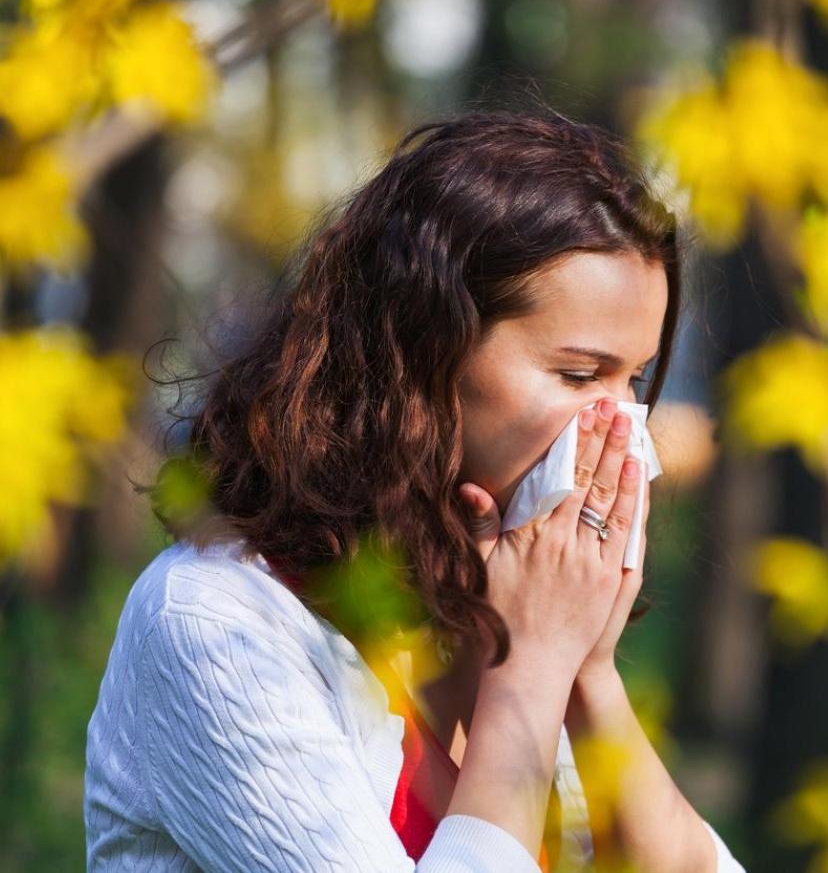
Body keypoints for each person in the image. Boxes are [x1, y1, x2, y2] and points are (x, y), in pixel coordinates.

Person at [84, 108, 746, 872]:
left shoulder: (487, 607)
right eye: (578, 374)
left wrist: (586, 671)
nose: (621, 425)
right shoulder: (215, 623)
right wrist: (529, 670)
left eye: (634, 379)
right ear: (425, 354)